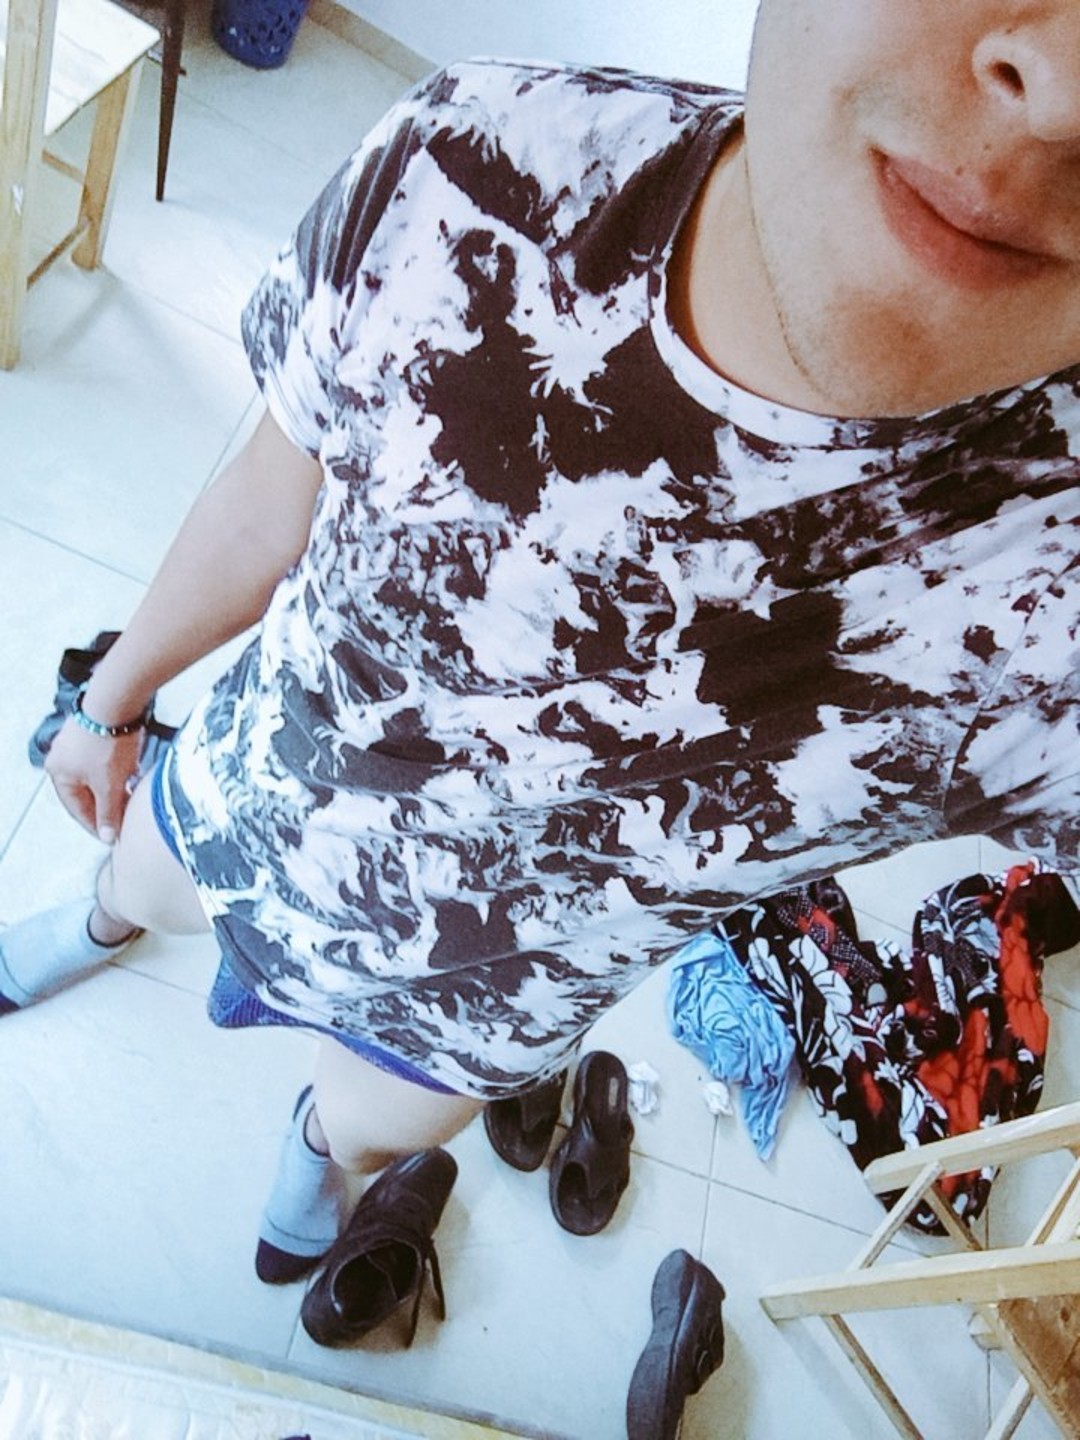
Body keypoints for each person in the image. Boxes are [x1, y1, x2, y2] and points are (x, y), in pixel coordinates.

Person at [4, 0, 1079, 1324]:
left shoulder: (1056, 584)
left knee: (362, 1128)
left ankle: (318, 1151)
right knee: (139, 879)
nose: (1059, 91)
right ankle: (100, 923)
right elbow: (261, 508)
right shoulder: (482, 159)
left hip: (464, 1007)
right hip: (254, 788)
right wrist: (110, 706)